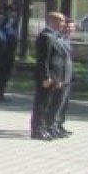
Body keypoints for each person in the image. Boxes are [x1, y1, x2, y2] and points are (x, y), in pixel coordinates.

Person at [31, 12, 73, 141]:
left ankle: (47, 127)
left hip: (57, 76)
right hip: (48, 77)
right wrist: (46, 77)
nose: (63, 24)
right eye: (61, 21)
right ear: (52, 21)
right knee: (42, 103)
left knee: (51, 103)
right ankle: (37, 129)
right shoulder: (45, 36)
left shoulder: (55, 36)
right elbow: (43, 59)